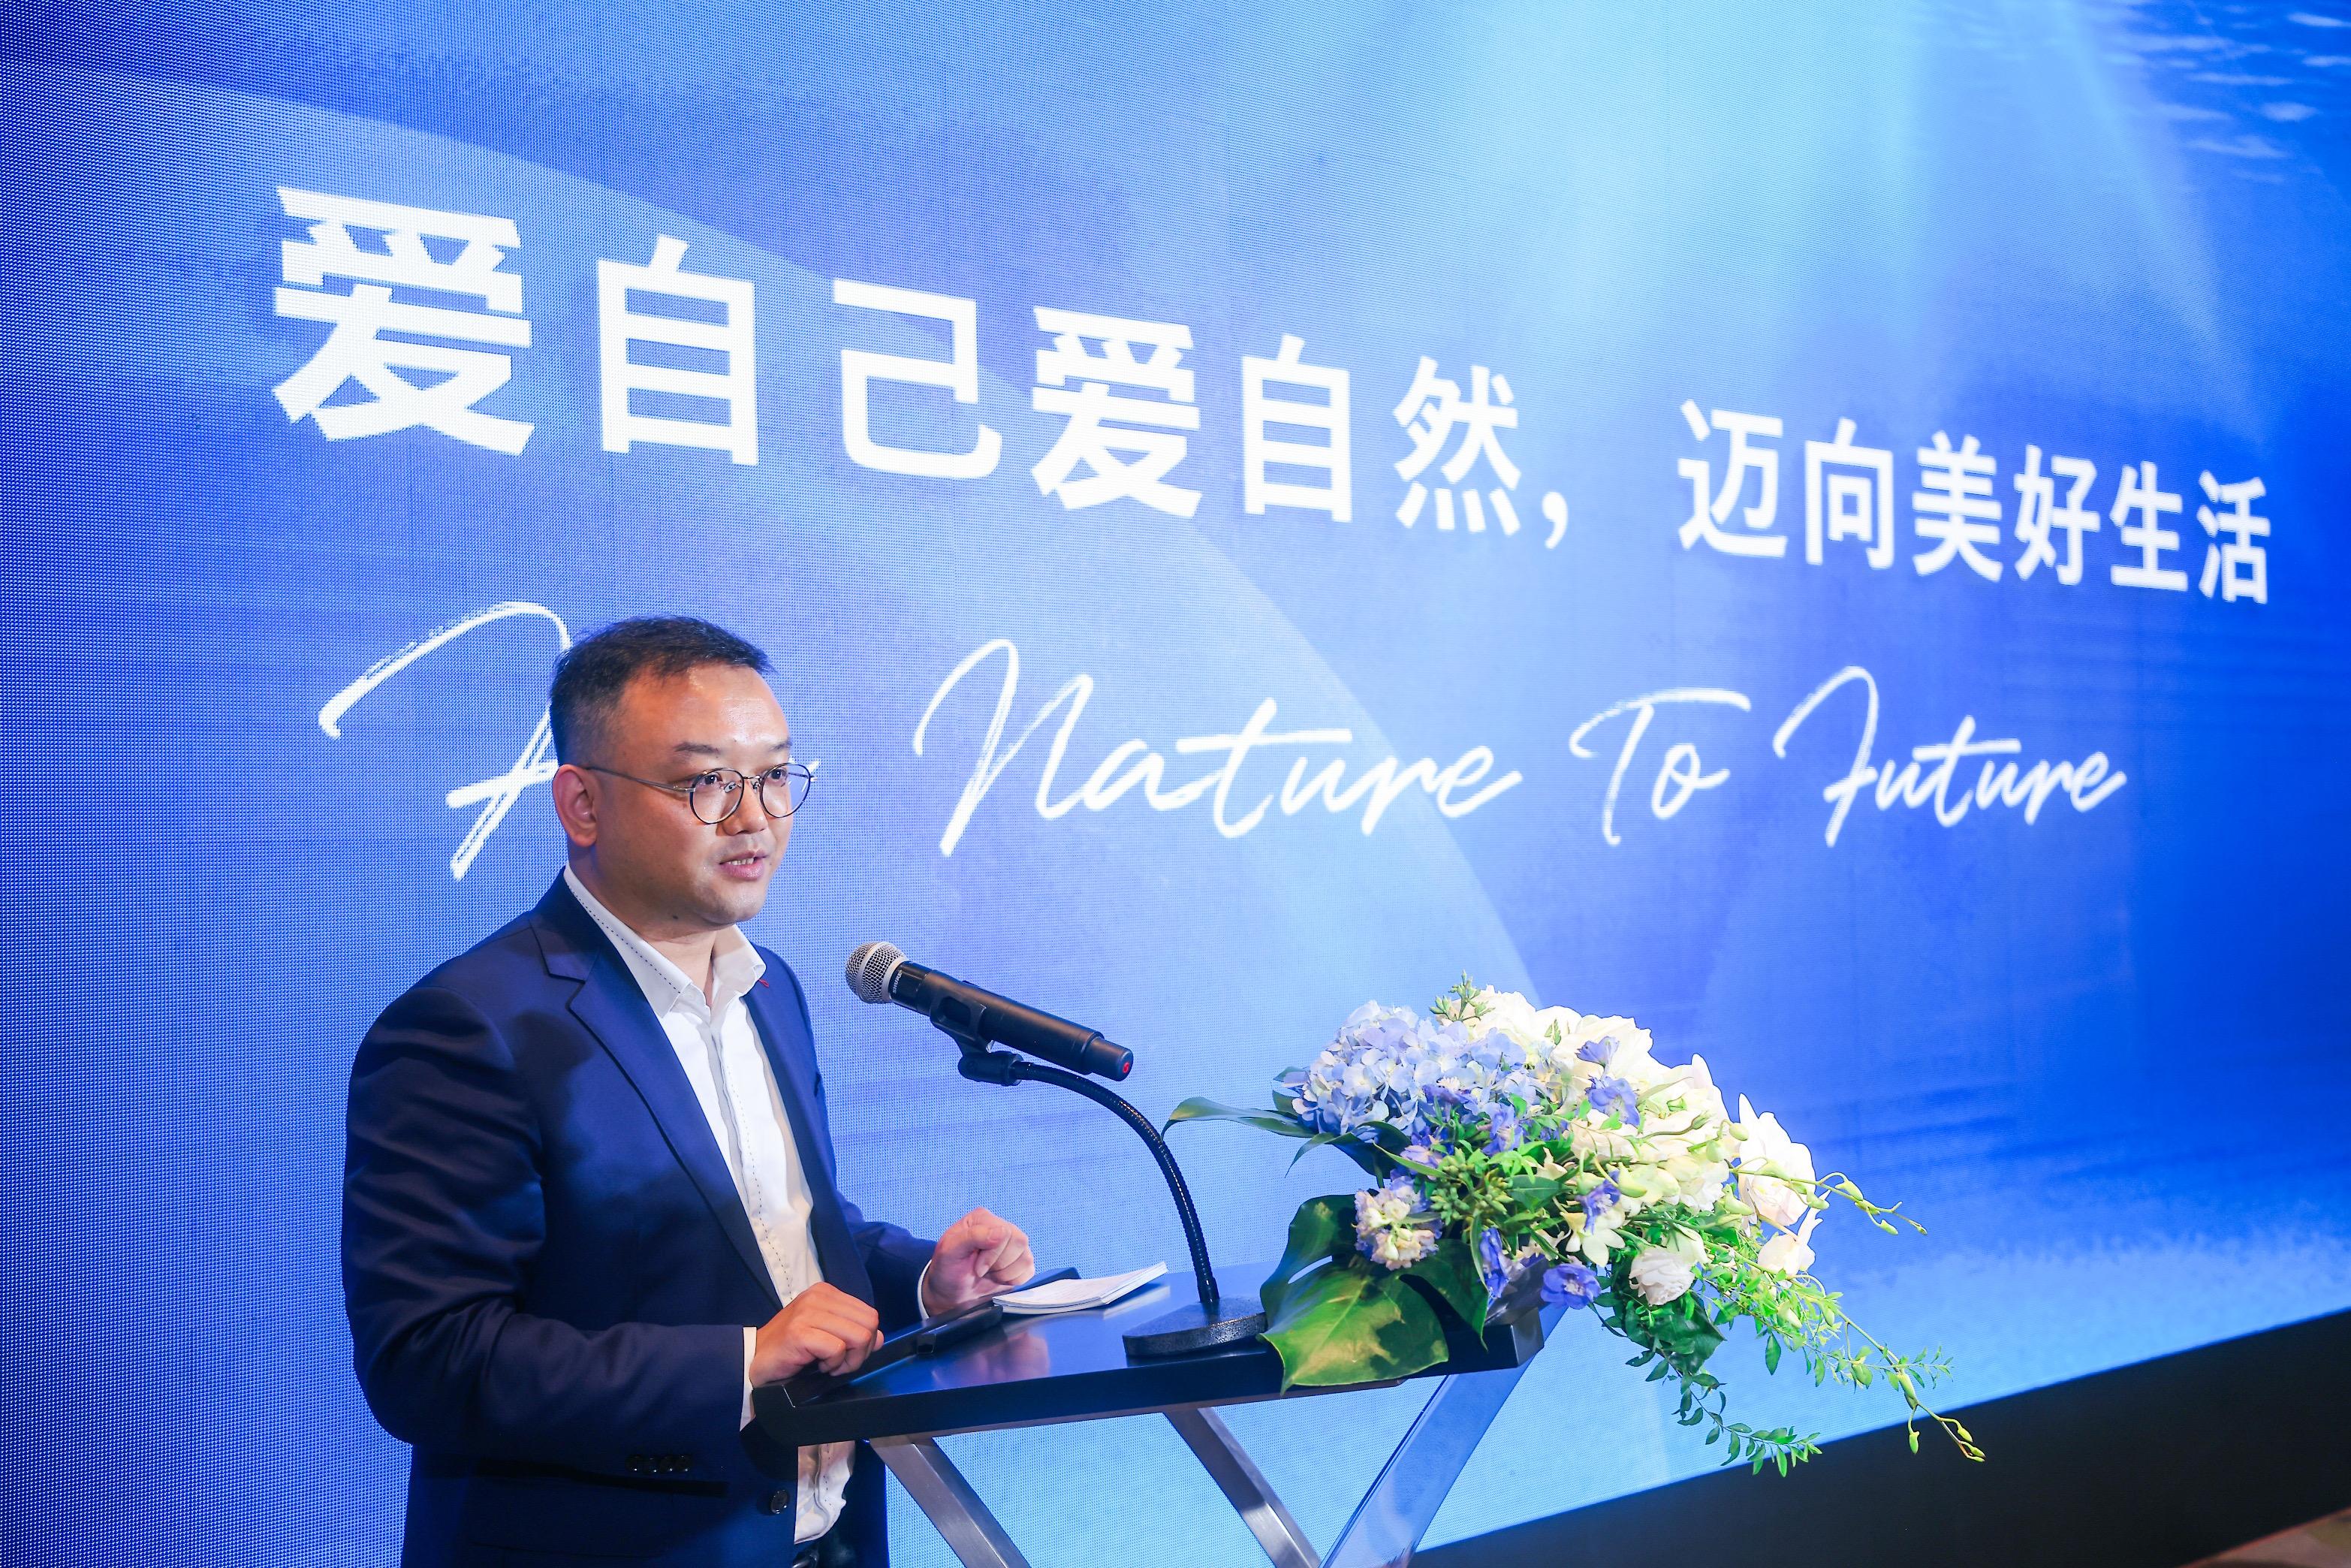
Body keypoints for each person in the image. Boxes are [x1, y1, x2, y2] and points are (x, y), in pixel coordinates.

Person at [342, 616, 1032, 1567]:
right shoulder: (469, 1026)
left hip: (827, 1540)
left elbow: (771, 1237)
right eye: (706, 782)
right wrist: (740, 1365)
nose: (754, 818)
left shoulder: (770, 989)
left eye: (775, 775)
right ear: (582, 804)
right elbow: (429, 1360)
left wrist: (922, 1281)